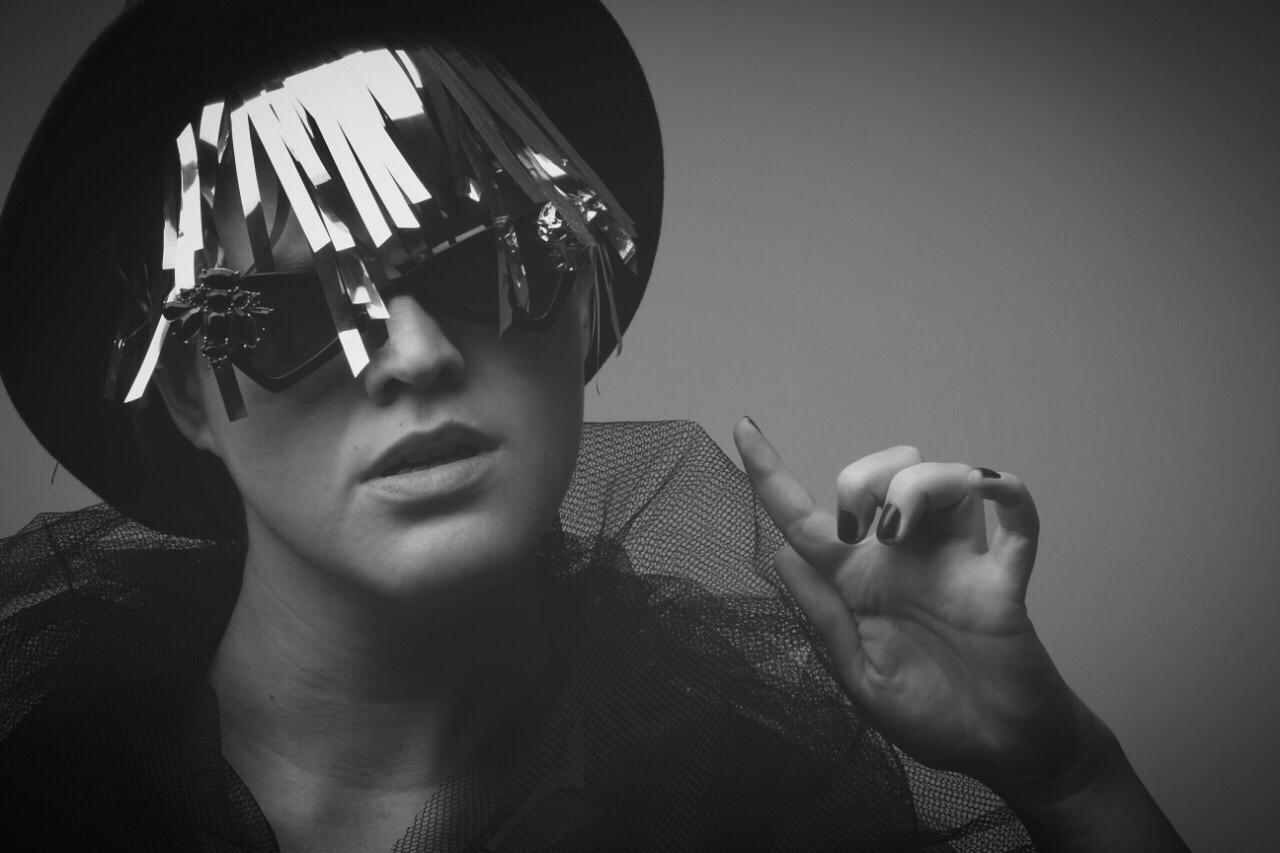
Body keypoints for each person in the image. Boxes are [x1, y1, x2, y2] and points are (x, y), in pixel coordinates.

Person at [0, 0, 1189, 849]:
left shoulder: (753, 808)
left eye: (477, 261)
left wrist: (1065, 777)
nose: (412, 354)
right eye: (288, 311)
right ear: (185, 398)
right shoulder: (39, 791)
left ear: (580, 300)